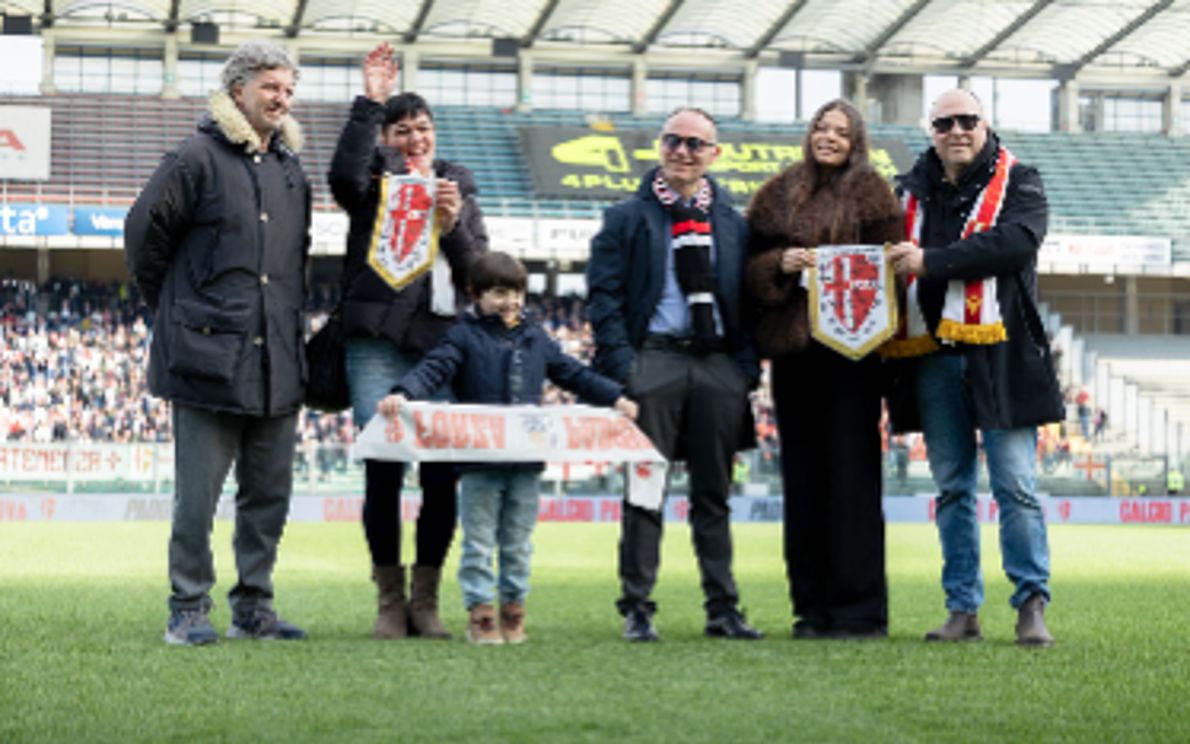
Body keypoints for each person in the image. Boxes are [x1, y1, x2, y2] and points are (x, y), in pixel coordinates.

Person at [124, 41, 311, 645]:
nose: (281, 98)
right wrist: (174, 311)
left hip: (277, 359)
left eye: (288, 89)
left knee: (269, 496)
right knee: (196, 500)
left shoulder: (291, 170)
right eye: (270, 87)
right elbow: (142, 237)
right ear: (238, 91)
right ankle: (188, 607)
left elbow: (295, 267)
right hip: (207, 360)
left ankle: (254, 606)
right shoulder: (195, 158)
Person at [377, 252, 638, 645]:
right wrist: (403, 392)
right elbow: (435, 368)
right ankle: (481, 616)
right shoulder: (463, 336)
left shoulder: (537, 339)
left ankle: (514, 611)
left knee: (518, 543)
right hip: (480, 463)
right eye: (500, 293)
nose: (511, 302)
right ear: (476, 294)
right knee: (478, 543)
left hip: (526, 463)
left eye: (517, 293)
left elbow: (574, 374)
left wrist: (616, 398)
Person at [888, 89, 1063, 647]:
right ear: (931, 130)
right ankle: (963, 608)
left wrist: (931, 261)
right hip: (933, 356)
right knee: (953, 488)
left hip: (1004, 357)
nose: (957, 130)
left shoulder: (1023, 181)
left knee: (1015, 485)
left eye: (968, 120)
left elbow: (1014, 244)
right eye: (945, 123)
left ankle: (1030, 602)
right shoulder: (907, 190)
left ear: (985, 125)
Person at [328, 43, 488, 639]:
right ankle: (388, 601)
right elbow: (341, 177)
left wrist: (450, 229)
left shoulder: (458, 185)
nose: (414, 139)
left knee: (444, 473)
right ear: (387, 137)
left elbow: (480, 275)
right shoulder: (372, 179)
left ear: (435, 132)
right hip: (376, 340)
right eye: (402, 130)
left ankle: (426, 598)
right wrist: (369, 104)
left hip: (442, 343)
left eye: (422, 128)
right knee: (383, 467)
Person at [587, 107, 763, 642]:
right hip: (654, 361)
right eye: (672, 141)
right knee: (645, 489)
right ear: (659, 147)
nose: (682, 151)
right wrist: (626, 369)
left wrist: (743, 370)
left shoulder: (734, 225)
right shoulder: (626, 217)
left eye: (694, 143)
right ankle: (637, 607)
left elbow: (749, 303)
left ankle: (723, 608)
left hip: (716, 365)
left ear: (714, 154)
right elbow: (604, 299)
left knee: (714, 495)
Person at [745, 99, 902, 640]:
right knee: (804, 482)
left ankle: (859, 611)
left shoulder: (874, 193)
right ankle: (809, 609)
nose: (828, 137)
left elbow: (893, 266)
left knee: (854, 482)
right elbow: (748, 270)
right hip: (795, 355)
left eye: (840, 131)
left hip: (855, 356)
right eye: (821, 127)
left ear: (855, 139)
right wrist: (779, 265)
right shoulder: (776, 193)